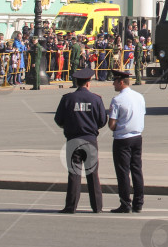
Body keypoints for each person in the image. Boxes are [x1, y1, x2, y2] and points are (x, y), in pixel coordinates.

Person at [53, 67, 108, 213]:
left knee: (74, 174)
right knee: (93, 174)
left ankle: (70, 206)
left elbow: (58, 120)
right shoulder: (96, 99)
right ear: (89, 83)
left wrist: (68, 125)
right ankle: (97, 206)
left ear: (76, 82)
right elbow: (102, 121)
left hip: (73, 140)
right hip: (90, 140)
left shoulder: (67, 99)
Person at [108, 69, 146, 213]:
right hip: (137, 137)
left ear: (121, 82)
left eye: (115, 81)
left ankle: (125, 203)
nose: (113, 84)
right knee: (137, 170)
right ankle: (138, 203)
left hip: (122, 139)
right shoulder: (139, 97)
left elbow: (111, 124)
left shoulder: (117, 100)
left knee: (123, 172)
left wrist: (120, 126)